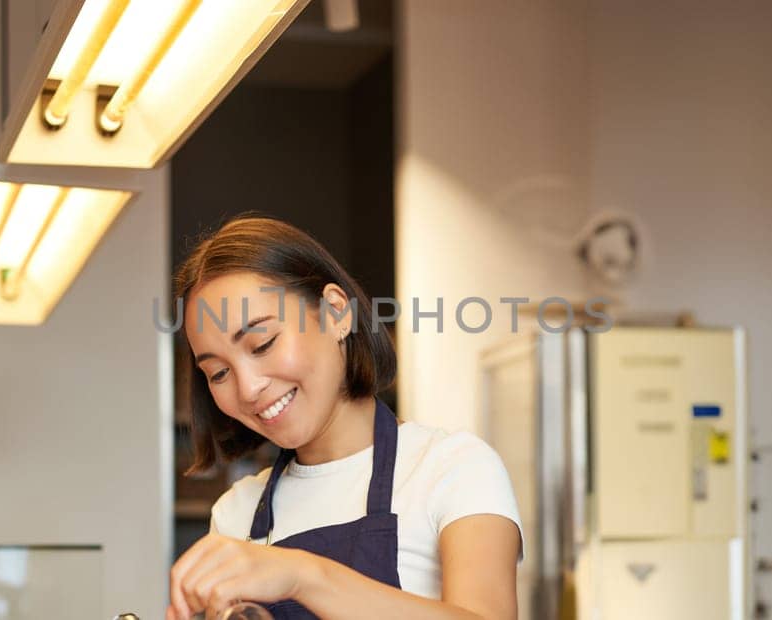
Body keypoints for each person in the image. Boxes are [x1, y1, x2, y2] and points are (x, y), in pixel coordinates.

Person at [166, 216, 522, 620]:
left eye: (262, 344)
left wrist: (302, 576)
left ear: (336, 312)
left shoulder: (451, 467)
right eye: (219, 373)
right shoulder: (237, 514)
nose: (247, 389)